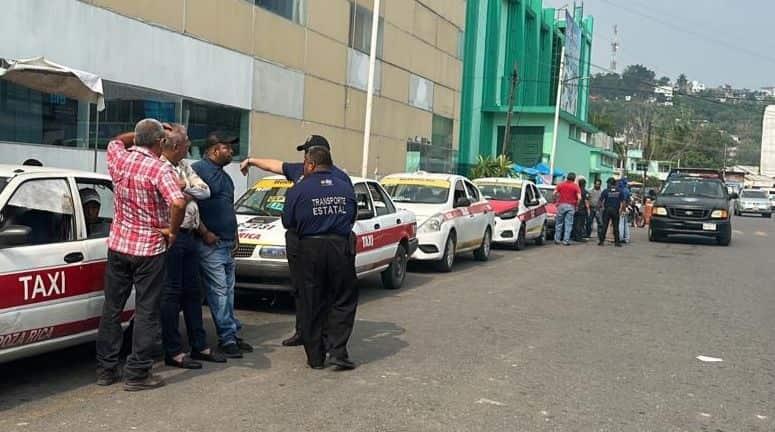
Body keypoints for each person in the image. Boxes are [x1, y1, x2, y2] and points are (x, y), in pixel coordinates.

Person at [95, 119, 186, 391]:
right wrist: (172, 231)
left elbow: (116, 141)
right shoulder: (160, 169)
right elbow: (179, 201)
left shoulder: (119, 158)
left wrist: (137, 134)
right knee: (146, 310)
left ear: (136, 138)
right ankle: (137, 373)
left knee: (112, 308)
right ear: (160, 143)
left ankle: (106, 369)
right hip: (148, 248)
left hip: (119, 245)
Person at [239, 135, 351, 347]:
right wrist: (252, 160)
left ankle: (324, 336)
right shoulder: (300, 170)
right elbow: (276, 165)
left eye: (306, 152)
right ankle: (304, 332)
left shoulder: (338, 178)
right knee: (301, 289)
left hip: (321, 241)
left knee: (325, 291)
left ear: (315, 156)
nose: (302, 157)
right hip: (298, 242)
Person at [282, 147, 358, 370]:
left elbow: (288, 221)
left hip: (310, 248)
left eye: (305, 163)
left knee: (311, 300)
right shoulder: (345, 187)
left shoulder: (299, 189)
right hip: (339, 247)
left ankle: (315, 357)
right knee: (342, 299)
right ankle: (338, 352)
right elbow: (352, 217)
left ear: (311, 164)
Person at [159, 125, 226, 369]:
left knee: (193, 292)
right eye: (186, 143)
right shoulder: (160, 166)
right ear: (175, 146)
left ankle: (200, 345)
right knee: (171, 293)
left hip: (190, 235)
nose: (189, 146)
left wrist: (185, 190)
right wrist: (189, 193)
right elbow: (172, 198)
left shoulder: (184, 166)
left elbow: (204, 191)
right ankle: (173, 351)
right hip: (171, 235)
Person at [192, 132, 253, 358]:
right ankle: (227, 338)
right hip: (209, 243)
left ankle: (232, 333)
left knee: (227, 291)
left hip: (227, 243)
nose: (231, 151)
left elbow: (228, 208)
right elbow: (190, 207)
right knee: (218, 291)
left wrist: (235, 234)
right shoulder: (198, 170)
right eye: (227, 147)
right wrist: (204, 232)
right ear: (215, 149)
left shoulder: (225, 177)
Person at [553, 172, 581, 246]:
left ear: (567, 177)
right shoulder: (575, 186)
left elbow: (554, 193)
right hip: (571, 206)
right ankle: (565, 241)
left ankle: (557, 239)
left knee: (559, 223)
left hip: (561, 205)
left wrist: (556, 201)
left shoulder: (560, 185)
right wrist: (577, 205)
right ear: (574, 179)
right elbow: (579, 198)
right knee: (568, 224)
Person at [598, 177, 624, 247]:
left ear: (609, 183)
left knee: (605, 226)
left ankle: (601, 241)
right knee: (616, 227)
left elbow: (600, 201)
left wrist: (601, 208)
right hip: (615, 210)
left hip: (607, 210)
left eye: (607, 183)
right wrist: (621, 210)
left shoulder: (606, 191)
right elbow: (622, 202)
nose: (607, 185)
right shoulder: (620, 191)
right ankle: (617, 242)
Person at [617, 178, 632, 244]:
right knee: (626, 224)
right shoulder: (627, 190)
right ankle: (627, 238)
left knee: (620, 223)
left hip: (621, 208)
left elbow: (622, 201)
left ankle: (620, 238)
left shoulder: (620, 190)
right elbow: (629, 200)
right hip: (626, 208)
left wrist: (621, 209)